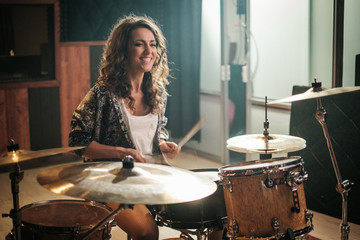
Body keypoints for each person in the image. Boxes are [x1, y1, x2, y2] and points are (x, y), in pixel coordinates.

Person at [69, 14, 181, 240]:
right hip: (113, 180)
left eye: (152, 44)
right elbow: (77, 141)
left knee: (213, 207)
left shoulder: (158, 92)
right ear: (123, 50)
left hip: (153, 176)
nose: (148, 51)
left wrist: (162, 143)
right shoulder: (103, 93)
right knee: (147, 231)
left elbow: (156, 130)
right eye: (139, 44)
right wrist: (121, 152)